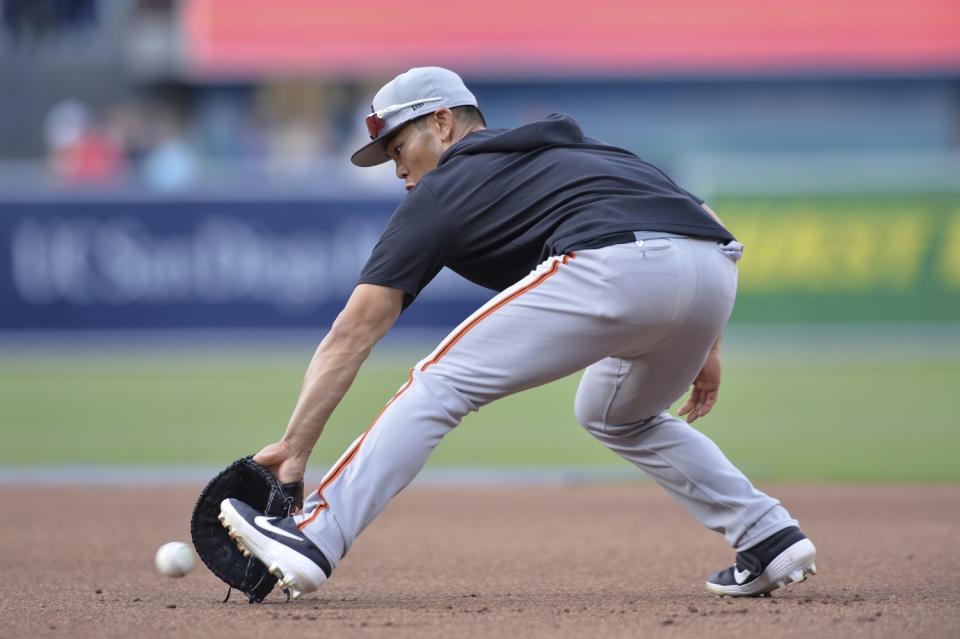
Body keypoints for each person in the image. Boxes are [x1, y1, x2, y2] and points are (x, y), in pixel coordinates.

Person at [218, 67, 817, 599]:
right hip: (714, 272)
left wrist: (295, 448)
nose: (397, 167)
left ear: (444, 123)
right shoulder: (590, 151)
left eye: (398, 146)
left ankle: (315, 536)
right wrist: (704, 342)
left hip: (613, 267)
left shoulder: (445, 187)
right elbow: (706, 222)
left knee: (438, 383)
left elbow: (353, 332)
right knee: (616, 413)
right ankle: (767, 533)